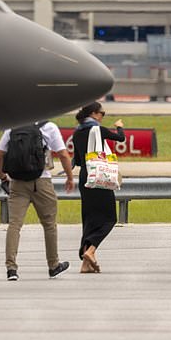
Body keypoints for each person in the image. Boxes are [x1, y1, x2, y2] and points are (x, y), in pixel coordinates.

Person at [0, 121, 74, 281]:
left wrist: (3, 177)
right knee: (49, 224)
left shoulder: (12, 127)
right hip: (42, 181)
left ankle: (11, 268)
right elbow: (64, 154)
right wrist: (70, 177)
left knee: (14, 225)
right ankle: (53, 265)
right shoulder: (49, 127)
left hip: (17, 182)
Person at [72, 102, 125, 273]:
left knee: (89, 218)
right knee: (109, 218)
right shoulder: (98, 130)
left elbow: (79, 160)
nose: (103, 116)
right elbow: (120, 138)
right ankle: (91, 250)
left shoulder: (77, 131)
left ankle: (85, 264)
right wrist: (119, 127)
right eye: (102, 113)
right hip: (100, 177)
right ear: (94, 114)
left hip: (84, 177)